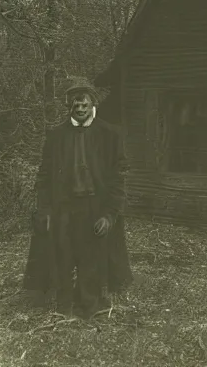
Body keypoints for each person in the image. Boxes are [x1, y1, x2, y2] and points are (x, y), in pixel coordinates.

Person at [23, 77, 132, 318]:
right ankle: (64, 304)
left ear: (93, 104)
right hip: (64, 206)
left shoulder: (110, 134)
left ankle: (89, 304)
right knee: (62, 253)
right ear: (69, 107)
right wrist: (45, 210)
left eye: (84, 104)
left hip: (95, 205)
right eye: (75, 105)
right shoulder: (56, 136)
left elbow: (118, 178)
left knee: (92, 255)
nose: (80, 109)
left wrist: (110, 214)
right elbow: (44, 176)